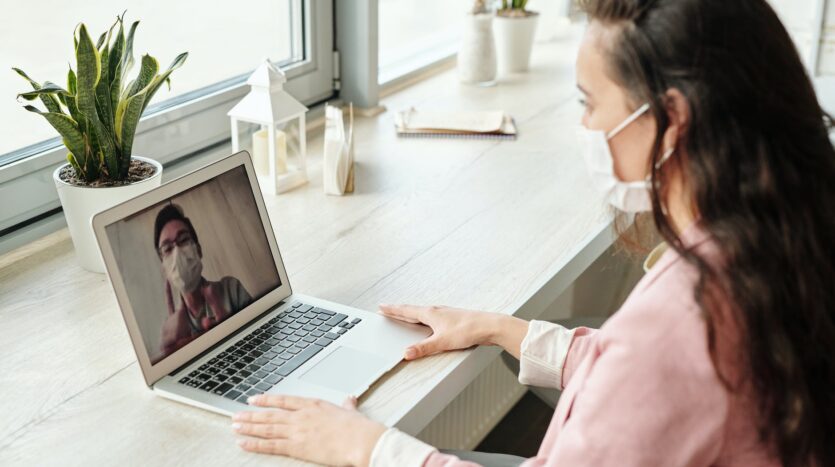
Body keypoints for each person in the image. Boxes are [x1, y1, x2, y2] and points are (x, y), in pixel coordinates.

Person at [229, 0, 835, 466]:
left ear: (671, 121)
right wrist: (504, 330)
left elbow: (655, 364)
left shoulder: (685, 317)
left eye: (589, 102)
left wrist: (368, 447)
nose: (584, 125)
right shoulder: (779, 235)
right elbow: (655, 385)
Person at [154, 204, 252, 359]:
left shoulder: (231, 289)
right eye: (167, 249)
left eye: (184, 240)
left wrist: (231, 332)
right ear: (164, 269)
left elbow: (262, 340)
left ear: (198, 250)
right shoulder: (172, 331)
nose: (177, 252)